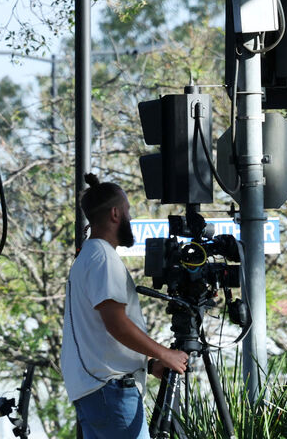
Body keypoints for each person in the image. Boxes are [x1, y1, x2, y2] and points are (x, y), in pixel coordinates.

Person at [61, 174, 190, 439]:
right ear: (116, 213)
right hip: (111, 392)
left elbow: (101, 335)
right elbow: (116, 324)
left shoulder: (89, 255)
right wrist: (166, 354)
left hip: (98, 392)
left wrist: (149, 365)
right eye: (128, 211)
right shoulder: (102, 258)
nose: (130, 218)